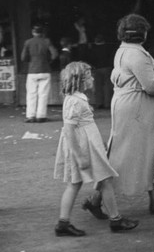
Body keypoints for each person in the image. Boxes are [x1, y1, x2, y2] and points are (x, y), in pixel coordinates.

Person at [84, 14, 154, 217]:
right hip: (137, 108)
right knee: (122, 154)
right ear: (143, 33)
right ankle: (95, 199)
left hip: (129, 105)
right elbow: (151, 85)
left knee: (143, 149)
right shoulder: (137, 54)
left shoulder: (123, 50)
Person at [53, 61, 139, 237]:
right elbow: (69, 131)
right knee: (104, 180)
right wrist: (80, 156)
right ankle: (115, 220)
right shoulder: (75, 101)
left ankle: (64, 223)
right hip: (83, 148)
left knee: (79, 184)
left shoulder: (76, 98)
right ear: (80, 80)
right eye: (89, 76)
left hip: (87, 146)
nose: (92, 78)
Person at [21, 25, 58, 123]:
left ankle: (30, 116)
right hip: (45, 70)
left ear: (33, 32)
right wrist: (48, 61)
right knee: (43, 94)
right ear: (42, 33)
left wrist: (32, 60)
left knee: (31, 94)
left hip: (32, 71)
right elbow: (54, 54)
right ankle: (41, 116)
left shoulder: (28, 42)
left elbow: (23, 58)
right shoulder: (47, 41)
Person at [88, 33, 114, 109]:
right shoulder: (108, 48)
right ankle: (107, 104)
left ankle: (99, 103)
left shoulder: (94, 49)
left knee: (98, 87)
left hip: (97, 69)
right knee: (107, 87)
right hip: (107, 68)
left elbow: (91, 59)